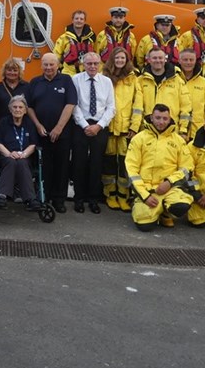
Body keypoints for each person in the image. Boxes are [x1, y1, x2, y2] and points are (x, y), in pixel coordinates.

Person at [126, 104, 194, 231]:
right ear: (151, 118)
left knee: (181, 206)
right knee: (144, 225)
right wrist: (144, 196)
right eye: (158, 118)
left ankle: (165, 213)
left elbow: (187, 167)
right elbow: (131, 170)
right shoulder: (138, 139)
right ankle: (142, 205)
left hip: (170, 189)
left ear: (169, 119)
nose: (161, 122)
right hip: (147, 190)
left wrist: (170, 182)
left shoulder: (179, 141)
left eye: (164, 118)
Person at [25, 53, 77, 214]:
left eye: (51, 65)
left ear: (58, 65)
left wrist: (59, 128)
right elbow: (29, 106)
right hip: (41, 134)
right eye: (45, 65)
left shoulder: (66, 80)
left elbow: (70, 104)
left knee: (61, 168)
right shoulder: (35, 82)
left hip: (62, 134)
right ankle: (44, 197)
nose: (48, 68)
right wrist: (38, 125)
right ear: (41, 66)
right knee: (43, 168)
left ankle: (59, 200)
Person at [70, 51, 115, 214]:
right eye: (89, 63)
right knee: (79, 163)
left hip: (100, 126)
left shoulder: (106, 82)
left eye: (96, 63)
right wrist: (84, 125)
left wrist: (99, 126)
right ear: (83, 64)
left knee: (97, 163)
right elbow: (73, 105)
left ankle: (94, 199)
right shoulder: (75, 80)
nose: (92, 66)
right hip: (80, 125)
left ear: (100, 64)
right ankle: (79, 198)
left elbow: (111, 107)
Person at [104, 48, 142, 210]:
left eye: (123, 58)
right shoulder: (104, 77)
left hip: (126, 128)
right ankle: (110, 195)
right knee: (109, 164)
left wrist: (134, 126)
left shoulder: (133, 78)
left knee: (125, 164)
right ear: (112, 59)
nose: (120, 60)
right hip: (108, 127)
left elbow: (138, 104)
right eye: (117, 57)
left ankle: (123, 196)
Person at [0, 95, 43, 211]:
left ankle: (30, 198)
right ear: (10, 109)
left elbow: (33, 144)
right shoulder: (3, 122)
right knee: (11, 162)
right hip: (6, 157)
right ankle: (2, 196)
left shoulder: (29, 123)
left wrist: (23, 154)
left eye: (20, 107)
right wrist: (9, 153)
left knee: (22, 162)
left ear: (25, 110)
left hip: (24, 157)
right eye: (14, 107)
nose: (17, 110)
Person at [137, 47, 191, 139]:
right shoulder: (141, 80)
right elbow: (137, 108)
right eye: (154, 58)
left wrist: (183, 130)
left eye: (160, 58)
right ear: (148, 60)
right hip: (147, 131)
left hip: (172, 131)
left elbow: (185, 107)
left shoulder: (177, 80)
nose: (158, 60)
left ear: (165, 59)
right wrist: (135, 128)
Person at [53, 9, 96, 76]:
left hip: (86, 73)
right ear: (72, 20)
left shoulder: (91, 38)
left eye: (81, 19)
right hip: (68, 73)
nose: (79, 21)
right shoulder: (64, 38)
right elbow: (56, 55)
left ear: (84, 21)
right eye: (76, 18)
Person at [177, 49, 205, 139]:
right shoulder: (173, 80)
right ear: (179, 61)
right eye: (185, 60)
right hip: (177, 131)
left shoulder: (204, 83)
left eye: (191, 60)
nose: (188, 62)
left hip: (197, 131)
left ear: (195, 61)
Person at [0, 57, 28, 122]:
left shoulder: (27, 86)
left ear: (19, 72)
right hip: (2, 124)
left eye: (15, 70)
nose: (12, 72)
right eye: (9, 70)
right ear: (4, 71)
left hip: (22, 124)